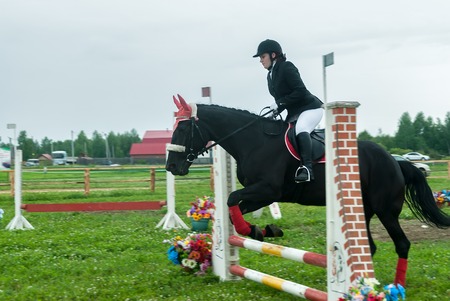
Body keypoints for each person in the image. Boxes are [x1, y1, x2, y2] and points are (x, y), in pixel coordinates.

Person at [253, 39, 323, 183]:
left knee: (301, 129)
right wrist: (276, 109)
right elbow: (285, 98)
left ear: (273, 55)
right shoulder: (270, 75)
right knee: (282, 135)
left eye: (262, 57)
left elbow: (301, 91)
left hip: (310, 108)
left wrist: (279, 103)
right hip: (294, 112)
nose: (260, 60)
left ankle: (307, 168)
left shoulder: (286, 67)